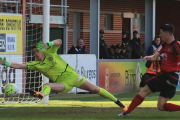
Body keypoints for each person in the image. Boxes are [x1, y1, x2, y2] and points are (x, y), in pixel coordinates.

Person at [0, 39, 127, 112]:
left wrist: (49, 44)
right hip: (63, 84)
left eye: (37, 51)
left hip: (73, 76)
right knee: (47, 85)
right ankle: (41, 95)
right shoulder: (35, 64)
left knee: (95, 89)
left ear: (42, 50)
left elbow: (59, 41)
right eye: (33, 52)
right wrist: (5, 62)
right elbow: (19, 66)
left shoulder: (51, 52)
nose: (35, 54)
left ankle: (119, 103)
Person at [119, 24, 180, 117]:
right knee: (161, 106)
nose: (159, 35)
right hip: (171, 78)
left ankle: (126, 112)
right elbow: (155, 56)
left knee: (144, 91)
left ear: (167, 34)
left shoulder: (177, 46)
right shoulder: (164, 44)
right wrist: (148, 57)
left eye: (161, 33)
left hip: (168, 76)